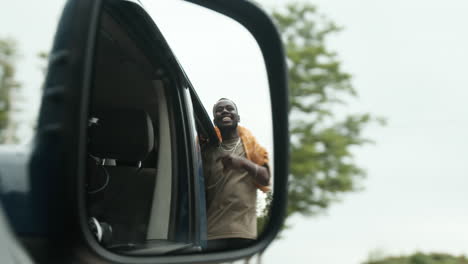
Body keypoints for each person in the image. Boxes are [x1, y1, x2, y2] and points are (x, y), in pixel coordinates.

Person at [203, 98, 271, 251]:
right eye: (219, 110)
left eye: (229, 108)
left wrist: (243, 163)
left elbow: (266, 178)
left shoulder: (251, 147)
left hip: (244, 234)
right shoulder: (206, 151)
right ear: (214, 120)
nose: (225, 111)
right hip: (212, 234)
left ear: (238, 118)